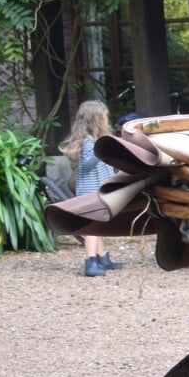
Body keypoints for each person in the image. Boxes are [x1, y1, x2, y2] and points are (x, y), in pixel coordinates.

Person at [58, 100, 124, 277]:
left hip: (98, 188)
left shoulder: (95, 141)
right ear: (97, 119)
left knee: (99, 225)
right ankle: (90, 262)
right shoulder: (89, 143)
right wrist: (101, 152)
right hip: (91, 191)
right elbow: (87, 165)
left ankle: (102, 258)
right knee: (91, 228)